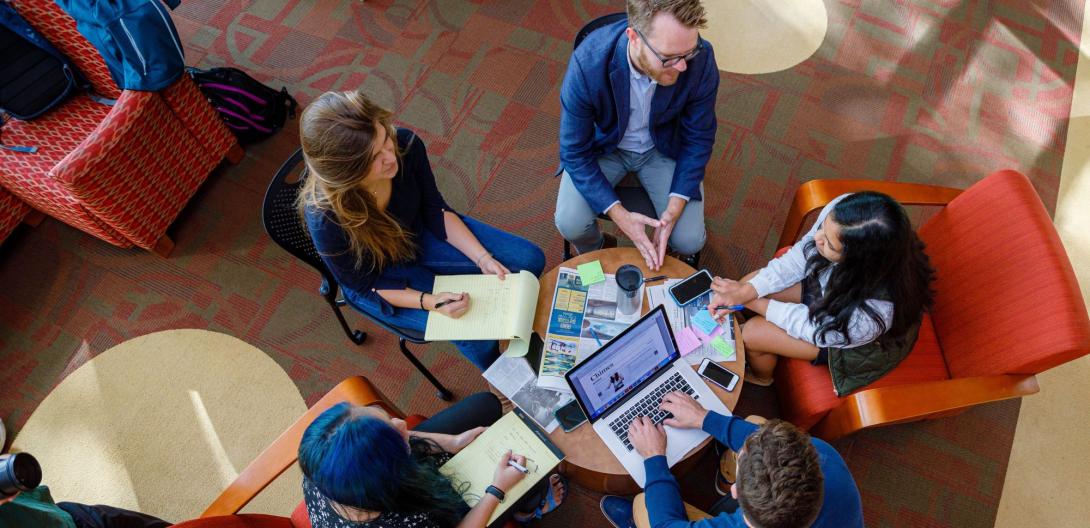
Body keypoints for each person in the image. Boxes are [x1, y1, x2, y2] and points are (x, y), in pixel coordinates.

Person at [299, 90, 546, 371]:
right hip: (379, 277)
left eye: (384, 139)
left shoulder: (404, 144)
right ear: (347, 175)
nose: (390, 157)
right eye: (373, 158)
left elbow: (434, 209)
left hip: (417, 232)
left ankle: (526, 332)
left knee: (528, 260)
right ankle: (504, 374)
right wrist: (431, 302)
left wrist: (482, 258)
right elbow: (364, 285)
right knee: (474, 333)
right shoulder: (325, 218)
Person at [708, 192, 935, 394]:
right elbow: (800, 255)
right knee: (749, 284)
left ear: (856, 263)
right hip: (829, 285)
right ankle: (739, 332)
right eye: (822, 228)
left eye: (830, 244)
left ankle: (762, 377)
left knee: (751, 335)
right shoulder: (844, 212)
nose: (817, 238)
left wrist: (754, 302)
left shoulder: (872, 315)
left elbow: (816, 330)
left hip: (837, 334)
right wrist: (748, 291)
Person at [554, 0, 718, 270]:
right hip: (607, 147)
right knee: (570, 223)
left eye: (688, 53)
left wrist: (675, 206)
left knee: (689, 240)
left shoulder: (701, 57)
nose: (682, 67)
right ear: (634, 38)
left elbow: (698, 137)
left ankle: (667, 253)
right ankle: (598, 249)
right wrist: (619, 215)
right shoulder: (588, 63)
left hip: (662, 147)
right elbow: (574, 151)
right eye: (669, 58)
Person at [297, 393, 567, 528]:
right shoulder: (405, 522)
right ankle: (528, 510)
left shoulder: (323, 461)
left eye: (385, 418)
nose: (402, 422)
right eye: (393, 431)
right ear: (392, 471)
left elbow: (377, 440)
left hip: (402, 474)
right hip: (431, 512)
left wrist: (453, 442)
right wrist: (497, 489)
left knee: (485, 403)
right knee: (528, 480)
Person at [599, 392, 864, 528]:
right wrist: (703, 417)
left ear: (738, 492)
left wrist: (654, 457)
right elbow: (756, 436)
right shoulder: (823, 456)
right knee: (757, 423)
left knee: (644, 504)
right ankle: (720, 484)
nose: (744, 445)